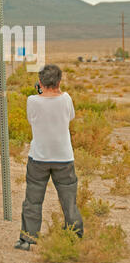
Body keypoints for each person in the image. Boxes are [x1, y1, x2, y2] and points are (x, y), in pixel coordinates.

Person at [14, 64, 83, 250]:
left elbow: (31, 119)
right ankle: (75, 236)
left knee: (33, 200)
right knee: (69, 200)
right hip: (64, 157)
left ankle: (27, 238)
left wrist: (40, 93)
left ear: (40, 82)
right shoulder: (67, 99)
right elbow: (70, 117)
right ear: (59, 81)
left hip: (39, 157)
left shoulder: (32, 101)